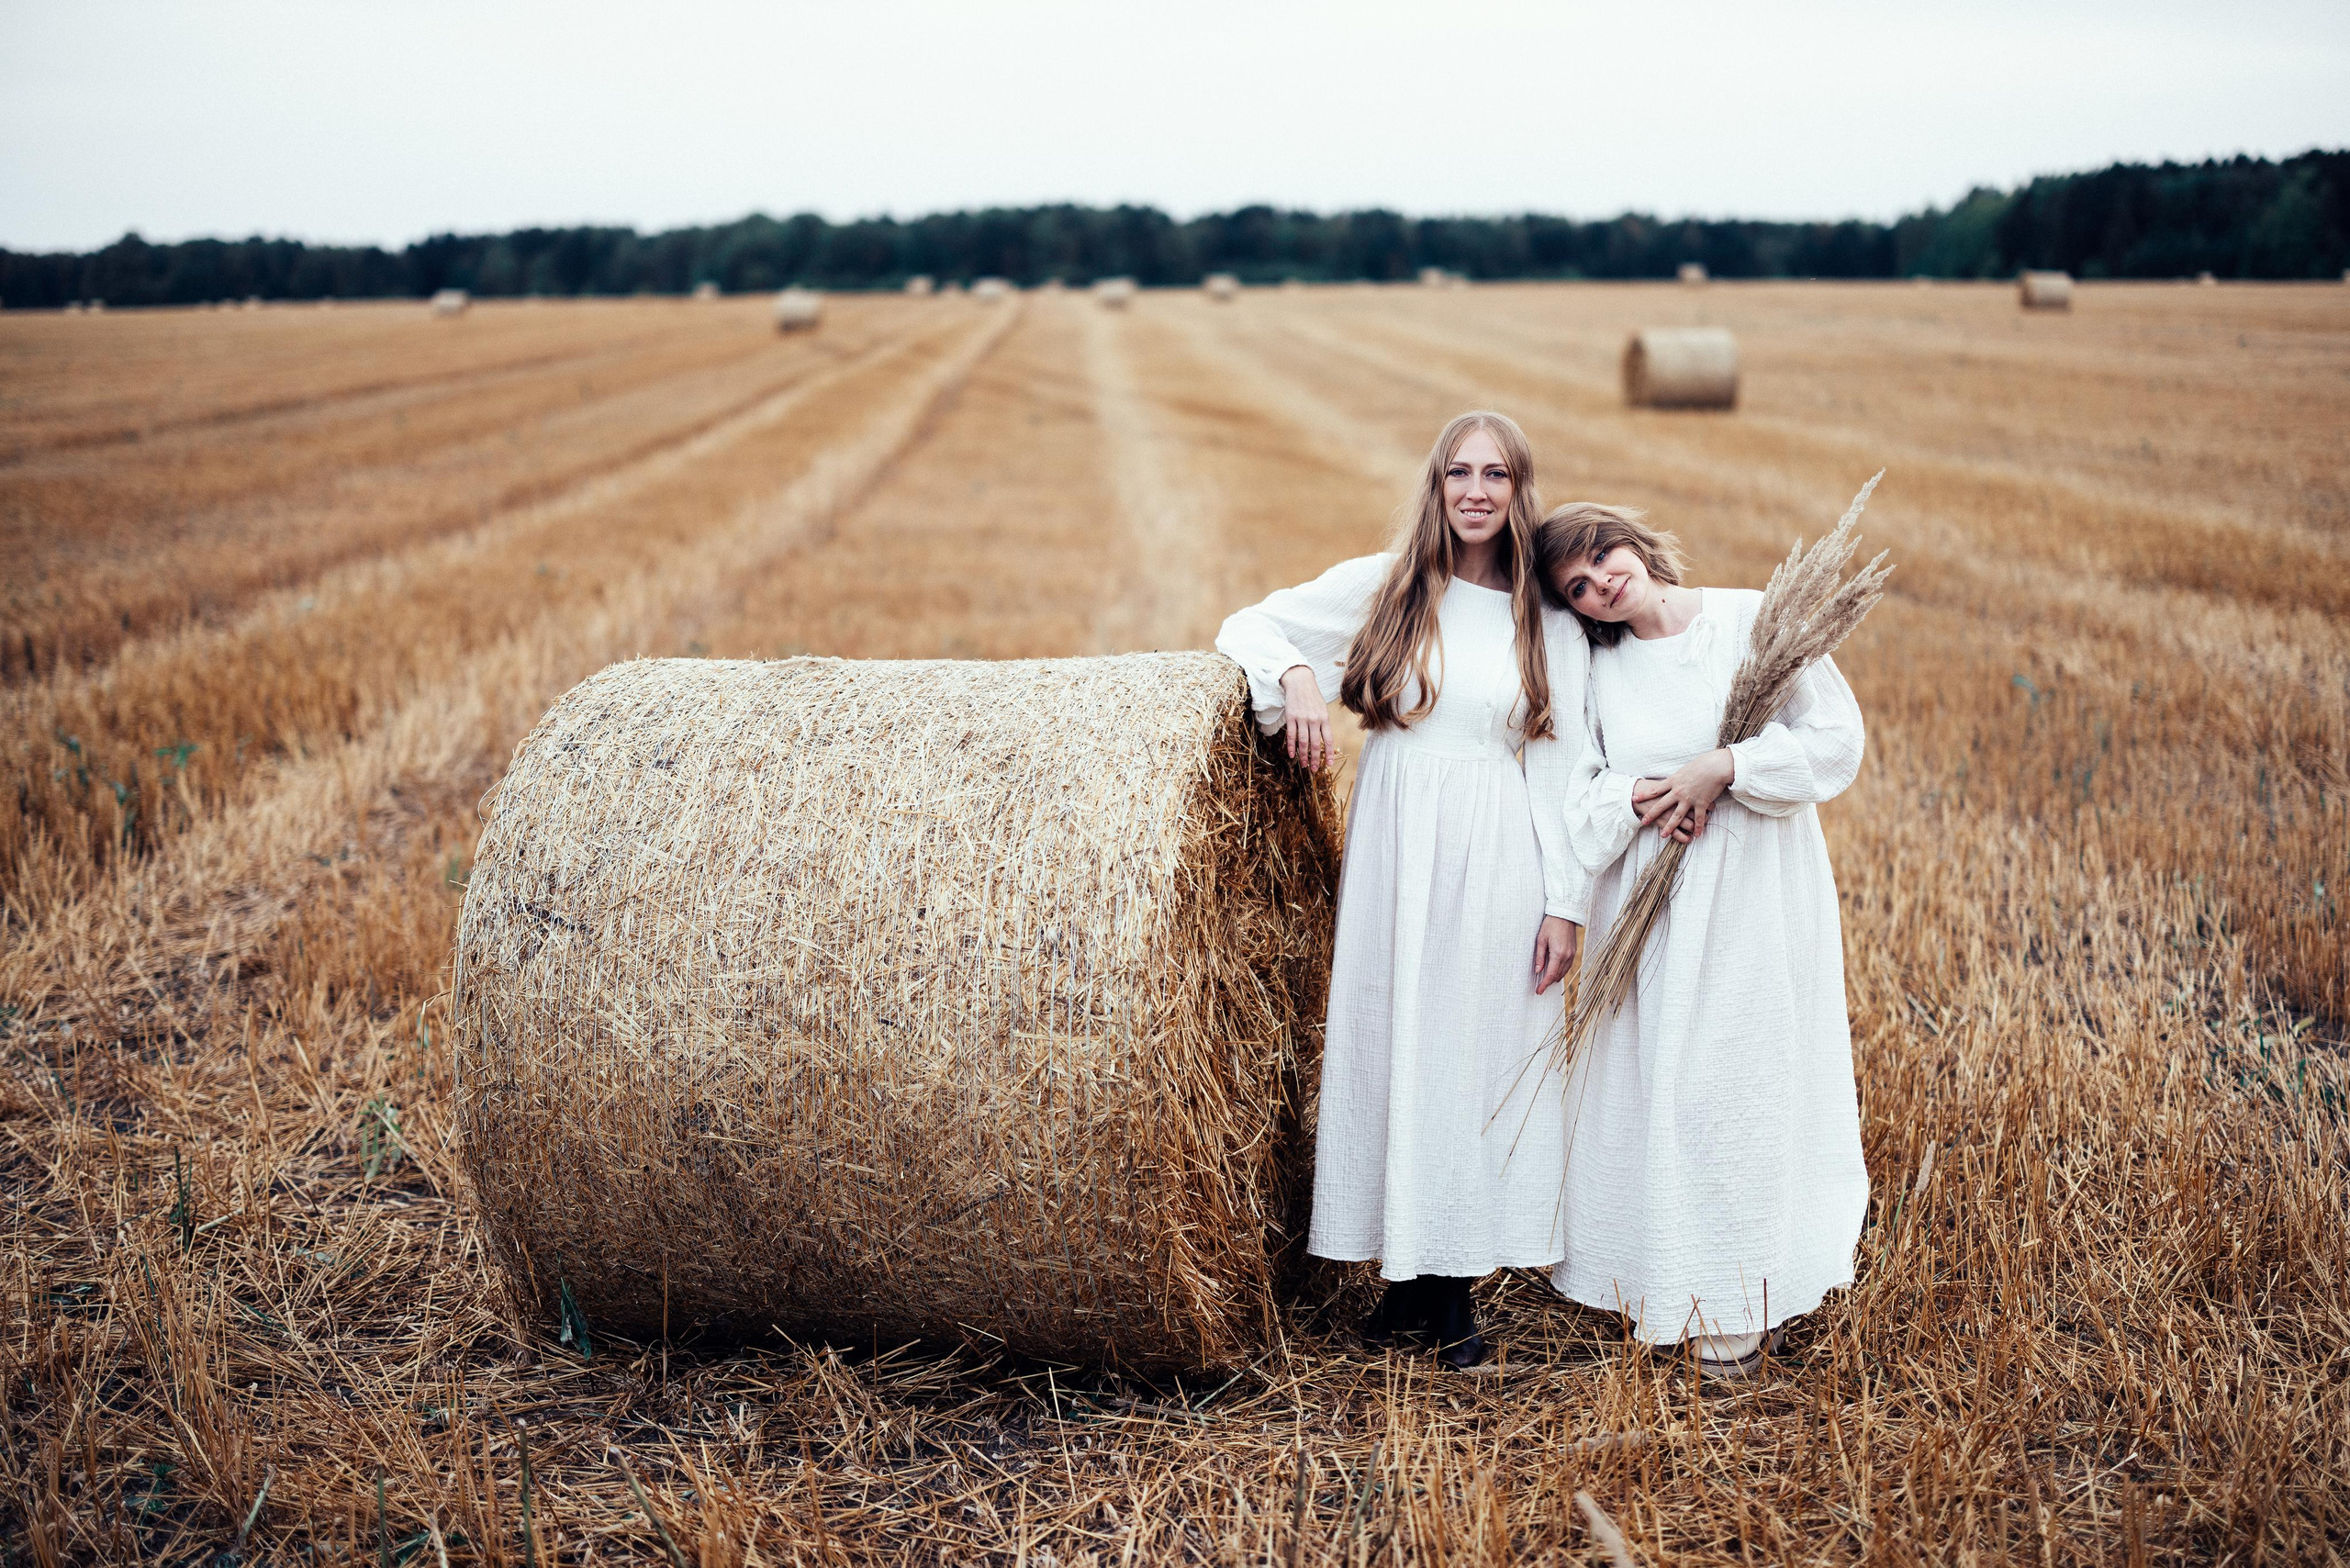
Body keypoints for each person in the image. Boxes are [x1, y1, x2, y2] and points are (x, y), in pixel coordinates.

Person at [1214, 411, 1590, 1369]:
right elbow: (1246, 625)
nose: (1474, 490)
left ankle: (1452, 1290)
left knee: (1470, 1050)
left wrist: (1564, 901)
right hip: (1396, 844)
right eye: (1457, 472)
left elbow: (1564, 765)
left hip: (1496, 848)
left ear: (1516, 491)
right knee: (1394, 1045)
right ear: (1437, 486)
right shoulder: (1388, 586)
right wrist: (1297, 676)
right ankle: (1402, 1281)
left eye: (1494, 475)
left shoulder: (1544, 619)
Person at [1535, 502, 1870, 1381]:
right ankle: (1663, 1276)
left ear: (1632, 543)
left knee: (1739, 1087)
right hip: (1652, 905)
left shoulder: (1752, 618)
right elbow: (1583, 787)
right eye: (1579, 587)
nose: (1602, 581)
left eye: (1603, 555)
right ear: (1578, 612)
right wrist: (1649, 793)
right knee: (1662, 1089)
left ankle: (1738, 1298)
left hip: (1755, 894)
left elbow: (1837, 742)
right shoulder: (1597, 672)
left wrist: (1725, 768)